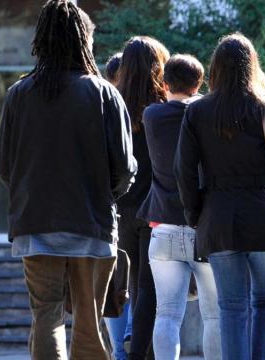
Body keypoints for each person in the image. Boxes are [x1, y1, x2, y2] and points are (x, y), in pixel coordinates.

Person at [0, 1, 136, 359]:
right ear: (84, 40)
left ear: (40, 40)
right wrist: (104, 194)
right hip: (92, 223)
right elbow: (124, 167)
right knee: (89, 320)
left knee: (46, 317)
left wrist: (29, 193)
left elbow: (3, 165)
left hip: (36, 223)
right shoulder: (104, 94)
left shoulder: (18, 95)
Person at [175, 33, 265, 360]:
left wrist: (195, 215)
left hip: (219, 217)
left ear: (215, 69)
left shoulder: (197, 112)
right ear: (251, 66)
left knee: (231, 308)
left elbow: (184, 171)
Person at [136, 54, 221, 360]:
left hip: (164, 227)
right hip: (205, 227)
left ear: (165, 83)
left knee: (167, 314)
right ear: (200, 84)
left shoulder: (152, 116)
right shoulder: (206, 113)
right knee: (214, 316)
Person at [116, 35, 170, 360]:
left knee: (137, 285)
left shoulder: (114, 105)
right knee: (151, 290)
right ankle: (139, 352)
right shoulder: (163, 108)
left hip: (123, 208)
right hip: (156, 208)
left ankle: (139, 350)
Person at [103, 51, 134, 360]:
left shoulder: (103, 106)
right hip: (146, 208)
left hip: (112, 209)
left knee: (114, 283)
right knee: (140, 280)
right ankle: (131, 336)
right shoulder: (150, 106)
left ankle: (119, 352)